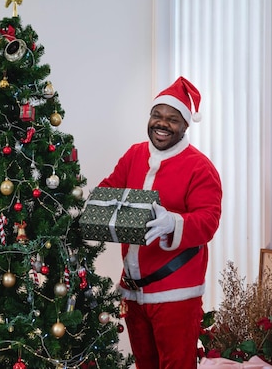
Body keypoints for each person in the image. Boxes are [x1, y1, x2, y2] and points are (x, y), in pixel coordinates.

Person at [99, 76, 222, 369]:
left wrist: (174, 223)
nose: (162, 123)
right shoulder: (134, 155)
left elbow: (209, 220)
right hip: (133, 291)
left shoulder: (200, 167)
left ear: (185, 125)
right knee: (145, 365)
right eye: (157, 115)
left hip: (176, 294)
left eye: (172, 119)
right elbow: (108, 193)